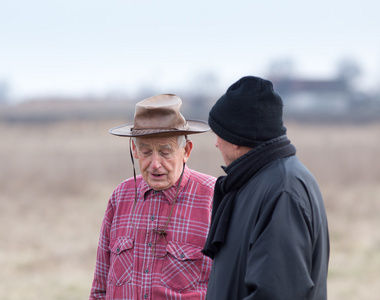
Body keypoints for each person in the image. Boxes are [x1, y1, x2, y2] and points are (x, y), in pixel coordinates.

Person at [202, 76, 330, 300]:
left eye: (218, 133)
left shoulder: (282, 191)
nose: (215, 143)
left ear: (235, 139)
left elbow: (278, 293)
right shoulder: (256, 181)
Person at [89, 94, 216, 300]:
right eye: (146, 151)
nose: (155, 164)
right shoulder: (120, 197)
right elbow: (100, 289)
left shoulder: (214, 197)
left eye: (165, 152)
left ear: (187, 151)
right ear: (134, 151)